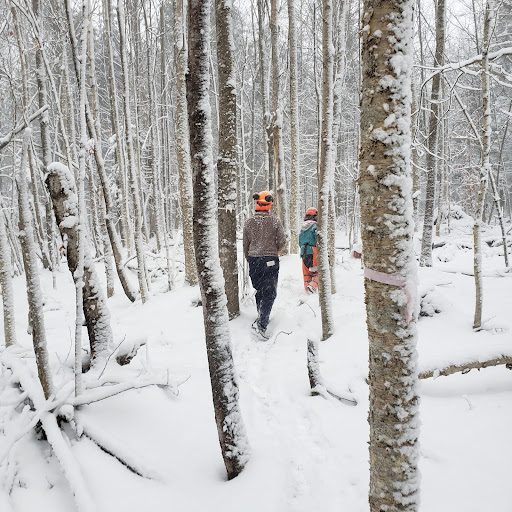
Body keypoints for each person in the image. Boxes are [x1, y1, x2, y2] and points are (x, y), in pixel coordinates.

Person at [243, 190, 287, 340]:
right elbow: (282, 242)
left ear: (257, 203)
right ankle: (261, 325)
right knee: (270, 293)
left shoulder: (248, 222)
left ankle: (262, 316)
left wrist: (251, 259)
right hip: (270, 260)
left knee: (260, 290)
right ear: (269, 205)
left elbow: (245, 245)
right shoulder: (275, 221)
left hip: (254, 260)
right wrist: (275, 251)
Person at [299, 207, 318, 294]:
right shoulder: (316, 226)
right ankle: (313, 286)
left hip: (303, 252)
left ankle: (307, 290)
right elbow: (317, 239)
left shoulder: (303, 227)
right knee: (318, 271)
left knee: (306, 272)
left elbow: (300, 241)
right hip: (313, 250)